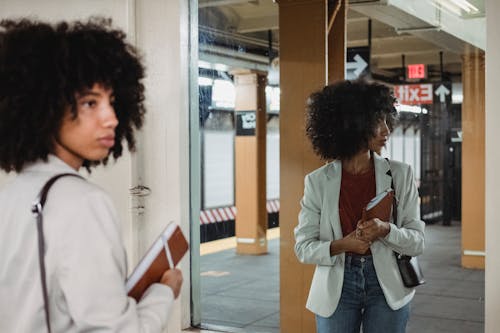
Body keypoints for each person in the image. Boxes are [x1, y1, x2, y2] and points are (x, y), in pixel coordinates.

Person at [0, 18, 183, 332]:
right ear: (45, 106)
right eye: (89, 102)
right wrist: (164, 292)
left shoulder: (12, 194)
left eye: (111, 101)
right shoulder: (82, 202)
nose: (111, 118)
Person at [294, 80, 425, 333]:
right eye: (379, 121)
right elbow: (303, 248)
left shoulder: (401, 174)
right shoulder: (318, 182)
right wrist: (344, 245)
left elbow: (417, 241)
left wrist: (386, 230)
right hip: (336, 287)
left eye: (388, 120)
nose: (387, 130)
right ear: (352, 124)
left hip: (388, 285)